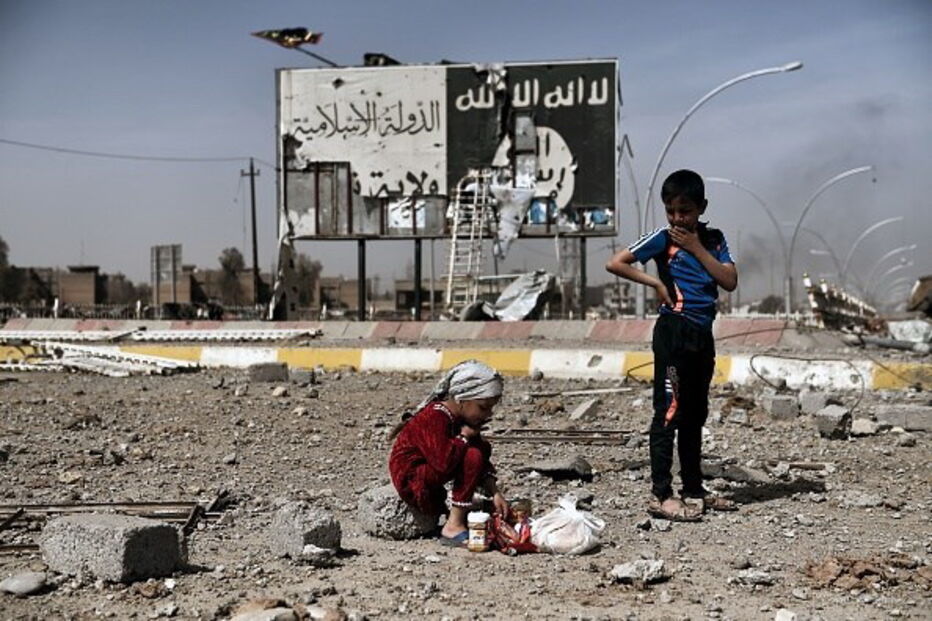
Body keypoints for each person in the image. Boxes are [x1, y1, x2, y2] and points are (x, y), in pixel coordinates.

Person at [605, 169, 738, 521]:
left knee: (695, 413)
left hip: (701, 334)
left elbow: (729, 280)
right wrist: (655, 283)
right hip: (673, 332)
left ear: (701, 207)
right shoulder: (662, 239)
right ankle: (661, 493)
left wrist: (696, 247)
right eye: (671, 211)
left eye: (685, 211)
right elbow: (615, 262)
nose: (678, 218)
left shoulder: (714, 240)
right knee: (668, 411)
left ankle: (693, 488)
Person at [389, 360, 510, 544]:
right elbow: (444, 463)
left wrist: (495, 493)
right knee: (472, 455)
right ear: (462, 399)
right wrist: (464, 437)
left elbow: (480, 457)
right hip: (412, 480)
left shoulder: (459, 418)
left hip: (430, 474)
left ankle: (463, 513)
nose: (487, 414)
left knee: (479, 449)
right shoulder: (435, 416)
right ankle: (453, 525)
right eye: (483, 407)